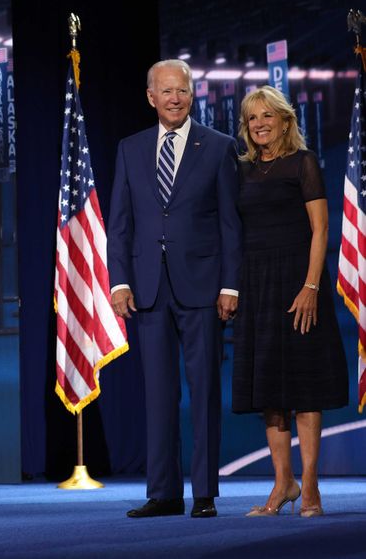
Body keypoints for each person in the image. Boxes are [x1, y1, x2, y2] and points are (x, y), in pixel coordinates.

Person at [107, 59, 242, 519]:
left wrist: (230, 285)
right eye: (165, 92)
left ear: (192, 94)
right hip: (146, 289)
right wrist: (119, 281)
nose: (174, 99)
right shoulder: (130, 148)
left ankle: (204, 493)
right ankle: (163, 493)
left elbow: (230, 224)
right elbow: (119, 224)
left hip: (203, 287)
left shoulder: (220, 147)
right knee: (158, 393)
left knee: (203, 391)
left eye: (181, 91)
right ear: (151, 97)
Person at [232, 86, 347, 518]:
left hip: (300, 283)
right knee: (270, 393)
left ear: (285, 120)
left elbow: (320, 230)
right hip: (257, 284)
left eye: (267, 116)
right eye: (251, 118)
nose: (259, 124)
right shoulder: (242, 170)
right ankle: (283, 484)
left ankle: (312, 486)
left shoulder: (304, 163)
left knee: (304, 387)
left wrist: (311, 286)